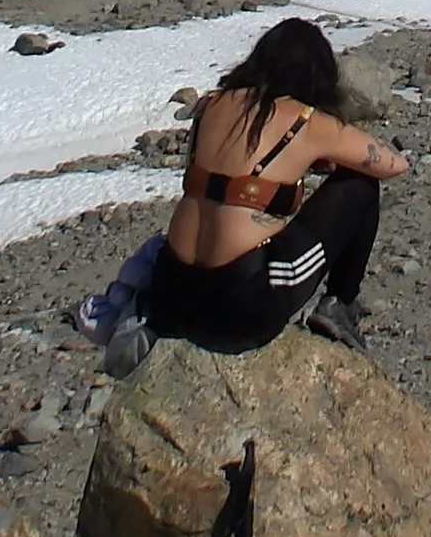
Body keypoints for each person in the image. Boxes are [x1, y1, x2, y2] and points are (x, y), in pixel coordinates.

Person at [144, 19, 408, 354]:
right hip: (241, 305)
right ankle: (340, 304)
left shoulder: (211, 105)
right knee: (359, 187)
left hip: (169, 295)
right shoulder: (305, 120)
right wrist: (325, 153)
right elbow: (392, 164)